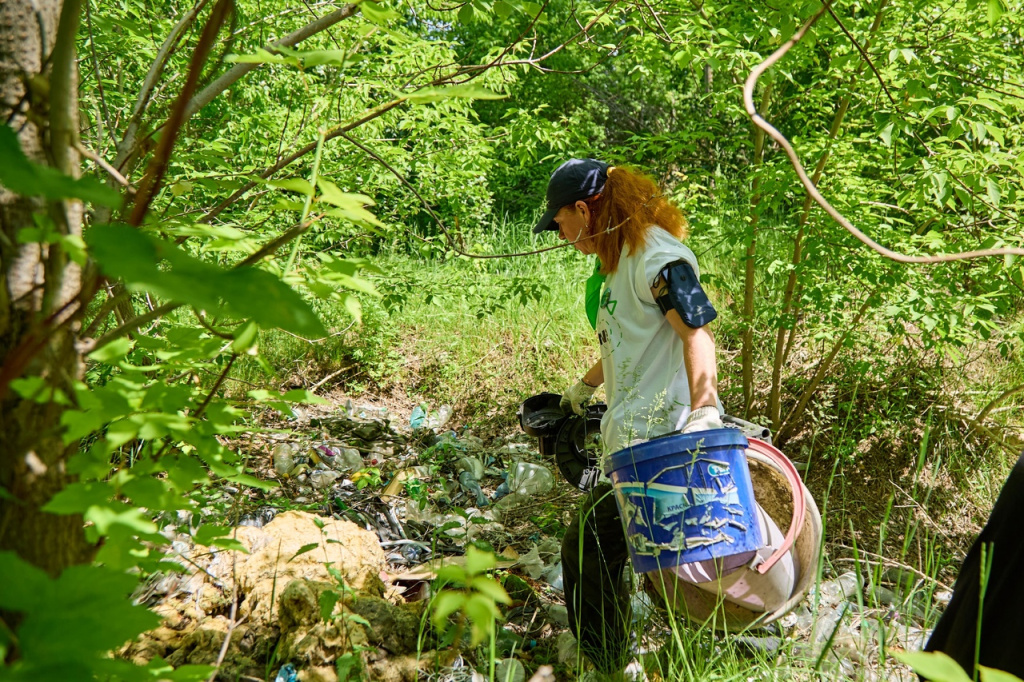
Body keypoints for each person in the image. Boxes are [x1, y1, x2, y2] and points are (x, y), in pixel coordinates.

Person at [533, 158, 725, 677]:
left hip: (663, 442)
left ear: (583, 209)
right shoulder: (618, 265)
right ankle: (663, 654)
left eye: (560, 223)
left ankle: (605, 662)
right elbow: (627, 339)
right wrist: (587, 384)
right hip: (632, 442)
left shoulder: (658, 257)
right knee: (638, 556)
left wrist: (706, 410)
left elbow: (696, 333)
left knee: (589, 546)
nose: (561, 235)